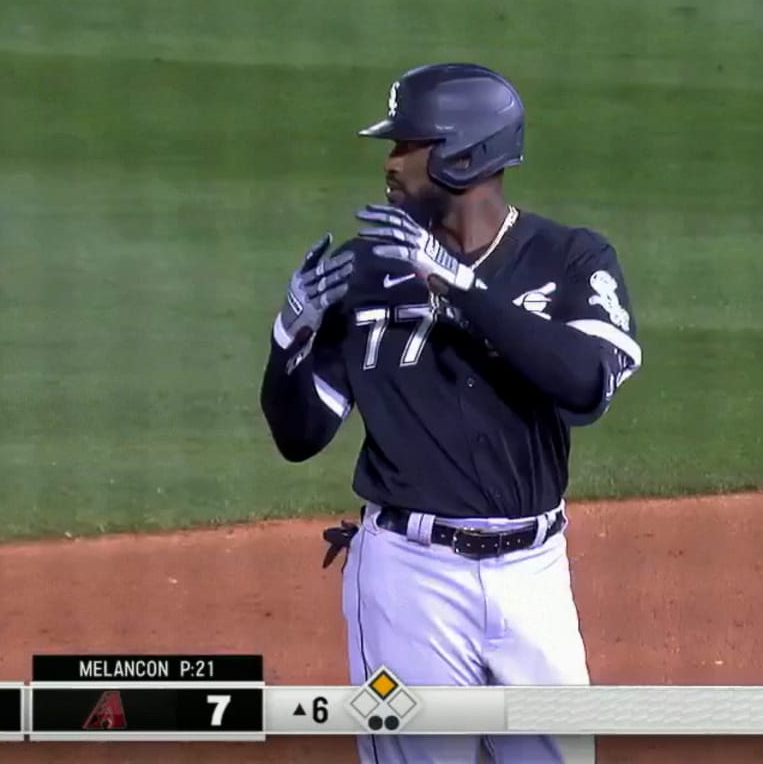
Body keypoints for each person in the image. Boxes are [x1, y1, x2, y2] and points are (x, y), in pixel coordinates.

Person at [260, 62, 642, 763]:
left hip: (533, 581)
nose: (391, 162)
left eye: (408, 145)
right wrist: (290, 335)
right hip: (408, 580)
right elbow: (300, 432)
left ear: (463, 155)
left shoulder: (569, 260)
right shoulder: (369, 270)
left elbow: (587, 384)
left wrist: (459, 287)